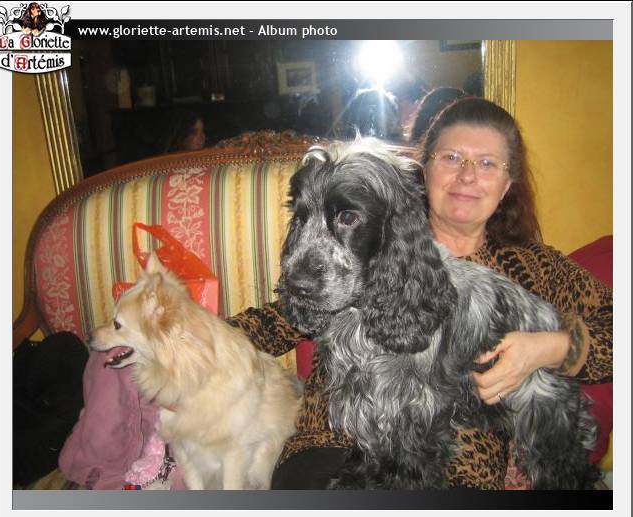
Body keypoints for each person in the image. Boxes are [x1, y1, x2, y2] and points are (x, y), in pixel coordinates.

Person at [225, 96, 612, 489]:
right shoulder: (372, 233)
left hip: (453, 462)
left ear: (508, 183)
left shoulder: (536, 265)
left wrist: (550, 348)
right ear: (424, 167)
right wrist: (194, 339)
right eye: (452, 157)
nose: (467, 175)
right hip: (329, 441)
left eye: (486, 163)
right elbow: (273, 321)